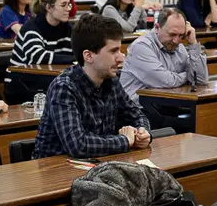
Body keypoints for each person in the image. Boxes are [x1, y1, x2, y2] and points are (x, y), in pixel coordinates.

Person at [32, 13, 151, 159]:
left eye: (120, 50)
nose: (121, 57)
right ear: (88, 56)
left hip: (96, 166)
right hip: (53, 172)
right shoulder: (63, 87)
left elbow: (136, 114)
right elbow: (78, 145)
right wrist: (124, 140)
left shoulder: (111, 80)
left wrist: (143, 132)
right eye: (113, 51)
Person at [120, 7, 208, 100]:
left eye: (181, 35)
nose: (176, 41)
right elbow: (166, 81)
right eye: (172, 34)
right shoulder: (141, 47)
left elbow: (200, 80)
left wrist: (193, 43)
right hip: (138, 110)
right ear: (157, 27)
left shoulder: (179, 47)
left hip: (166, 105)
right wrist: (188, 76)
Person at [5, 0, 74, 104]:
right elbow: (38, 57)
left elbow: (75, 51)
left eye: (69, 5)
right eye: (63, 5)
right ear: (49, 8)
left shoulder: (67, 28)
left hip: (48, 80)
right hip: (22, 84)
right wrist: (75, 59)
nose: (68, 9)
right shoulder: (32, 27)